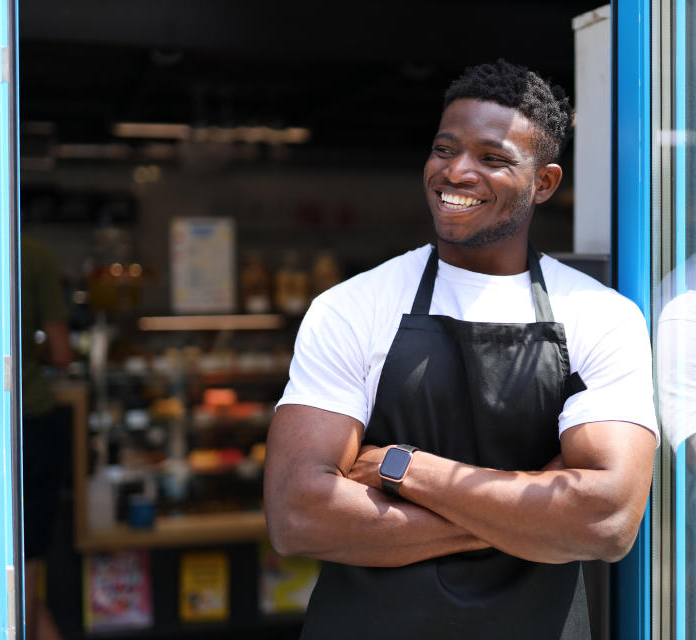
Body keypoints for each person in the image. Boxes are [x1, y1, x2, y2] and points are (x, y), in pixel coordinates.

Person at [264, 59, 658, 639]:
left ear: (544, 183)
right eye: (445, 149)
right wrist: (532, 511)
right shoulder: (353, 306)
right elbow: (298, 515)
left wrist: (405, 467)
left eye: (492, 158)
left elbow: (608, 520)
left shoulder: (600, 316)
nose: (457, 172)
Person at [21, 235, 73, 640]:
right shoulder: (33, 253)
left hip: (14, 423)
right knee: (25, 569)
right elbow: (61, 352)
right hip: (30, 419)